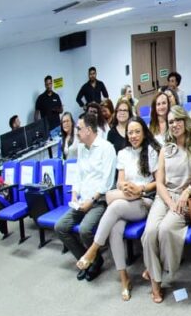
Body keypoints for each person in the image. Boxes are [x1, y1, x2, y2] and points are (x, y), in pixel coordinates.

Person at [75, 118, 160, 299]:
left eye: (137, 131)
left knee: (114, 205)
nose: (133, 136)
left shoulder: (151, 151)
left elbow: (158, 183)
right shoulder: (123, 153)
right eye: (130, 132)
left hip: (144, 200)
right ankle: (124, 279)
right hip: (127, 198)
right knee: (114, 229)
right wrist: (125, 187)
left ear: (144, 133)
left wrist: (140, 188)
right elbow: (120, 181)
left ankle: (93, 250)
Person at [142, 105, 191, 303]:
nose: (174, 124)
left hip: (187, 197)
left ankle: (158, 271)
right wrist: (170, 202)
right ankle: (155, 281)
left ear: (185, 121)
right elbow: (160, 183)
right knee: (150, 232)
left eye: (178, 120)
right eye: (171, 122)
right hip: (165, 197)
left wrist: (188, 190)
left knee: (165, 229)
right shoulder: (165, 149)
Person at [54, 112, 117, 281]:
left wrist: (92, 200)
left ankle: (95, 260)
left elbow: (107, 182)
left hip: (100, 201)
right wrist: (74, 195)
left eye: (79, 128)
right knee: (60, 227)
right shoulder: (82, 148)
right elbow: (78, 175)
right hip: (82, 201)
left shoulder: (106, 148)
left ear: (88, 130)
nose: (76, 132)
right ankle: (88, 260)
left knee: (84, 230)